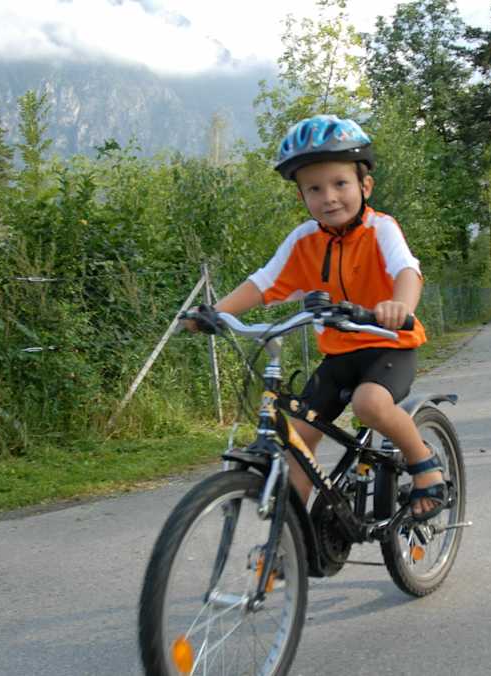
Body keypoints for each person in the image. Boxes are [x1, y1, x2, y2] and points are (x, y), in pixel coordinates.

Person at [185, 114, 447, 520]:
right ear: (301, 197)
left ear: (365, 185)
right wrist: (214, 313)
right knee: (298, 441)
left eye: (340, 184)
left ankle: (424, 465)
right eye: (314, 188)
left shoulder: (382, 229)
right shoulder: (303, 240)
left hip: (387, 345)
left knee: (370, 403)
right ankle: (290, 544)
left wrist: (401, 307)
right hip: (338, 356)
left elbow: (406, 271)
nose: (329, 197)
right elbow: (262, 283)